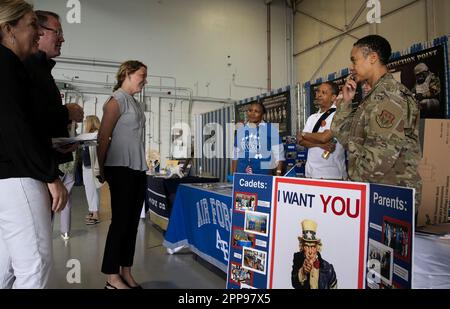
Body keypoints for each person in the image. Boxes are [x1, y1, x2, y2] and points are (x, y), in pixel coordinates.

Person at [0, 0, 68, 289]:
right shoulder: (8, 68)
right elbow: (17, 131)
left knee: (5, 264)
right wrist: (50, 175)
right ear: (9, 29)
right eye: (31, 26)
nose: (38, 34)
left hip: (10, 177)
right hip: (20, 177)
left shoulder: (11, 67)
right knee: (34, 266)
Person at [330, 35, 422, 212]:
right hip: (374, 192)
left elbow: (380, 158)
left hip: (391, 197)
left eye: (354, 60)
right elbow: (344, 137)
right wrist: (346, 103)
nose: (352, 67)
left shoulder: (390, 96)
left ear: (372, 58)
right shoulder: (373, 97)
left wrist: (352, 189)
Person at [97, 60, 148, 289]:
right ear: (127, 73)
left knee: (132, 224)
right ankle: (111, 276)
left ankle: (126, 272)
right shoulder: (116, 100)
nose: (145, 80)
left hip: (137, 168)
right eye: (141, 75)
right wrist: (101, 167)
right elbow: (103, 137)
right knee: (120, 223)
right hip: (120, 168)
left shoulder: (135, 103)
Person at [296, 82, 347, 180]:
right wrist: (320, 145)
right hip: (310, 173)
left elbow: (324, 137)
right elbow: (301, 141)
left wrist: (304, 134)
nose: (319, 95)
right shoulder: (312, 117)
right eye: (318, 91)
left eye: (324, 93)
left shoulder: (338, 115)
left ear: (333, 97)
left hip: (332, 174)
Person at [232, 102, 285, 176]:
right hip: (242, 175)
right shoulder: (241, 130)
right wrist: (234, 175)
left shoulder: (270, 129)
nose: (252, 113)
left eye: (256, 111)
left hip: (263, 176)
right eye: (250, 110)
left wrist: (278, 174)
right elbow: (235, 155)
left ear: (263, 114)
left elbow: (279, 155)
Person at [291, 219, 337, 289]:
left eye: (312, 246)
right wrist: (303, 272)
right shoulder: (298, 261)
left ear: (317, 247)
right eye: (307, 246)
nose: (310, 251)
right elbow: (294, 283)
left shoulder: (328, 268)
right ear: (302, 247)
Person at [82, 115, 102, 225]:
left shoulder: (96, 135)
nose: (84, 123)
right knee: (90, 190)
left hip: (92, 167)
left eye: (86, 121)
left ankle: (96, 215)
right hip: (87, 166)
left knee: (93, 191)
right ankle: (92, 211)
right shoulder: (88, 135)